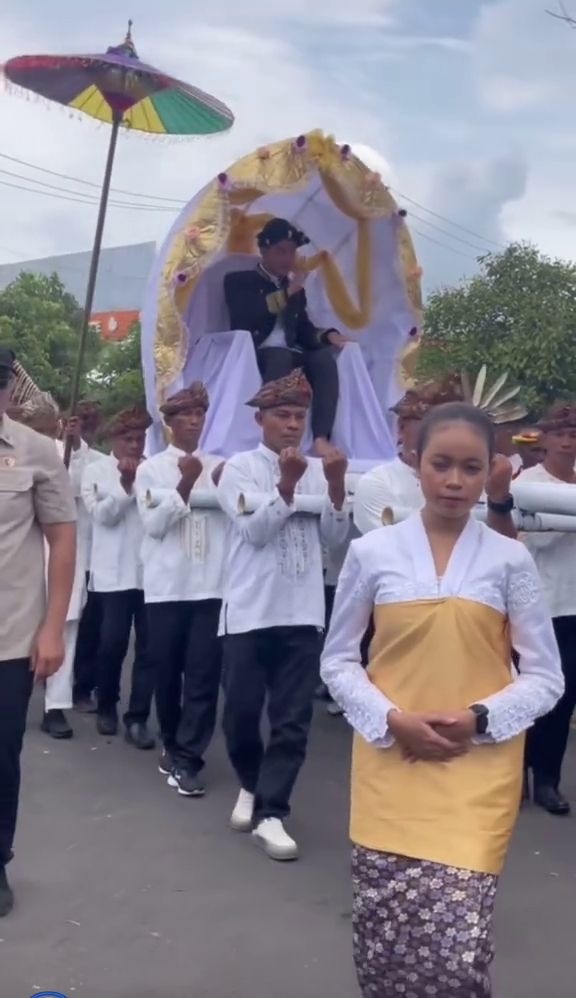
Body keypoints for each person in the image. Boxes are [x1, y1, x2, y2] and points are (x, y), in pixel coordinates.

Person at [321, 401, 564, 998]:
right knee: (386, 951)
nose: (455, 481)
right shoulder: (372, 553)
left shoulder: (511, 559)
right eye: (441, 464)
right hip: (389, 768)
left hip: (474, 774)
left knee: (456, 955)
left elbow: (546, 677)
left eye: (471, 468)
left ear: (490, 472)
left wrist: (479, 719)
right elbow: (338, 659)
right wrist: (391, 720)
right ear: (416, 464)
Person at [217, 368, 350, 861]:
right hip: (250, 610)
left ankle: (272, 812)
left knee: (293, 719)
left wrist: (334, 488)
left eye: (299, 416)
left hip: (302, 610)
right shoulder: (240, 468)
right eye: (282, 415)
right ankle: (251, 783)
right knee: (241, 714)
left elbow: (336, 540)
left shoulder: (320, 468)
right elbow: (253, 533)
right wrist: (287, 490)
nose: (292, 424)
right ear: (261, 419)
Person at [0, 346, 76, 916]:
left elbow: (62, 538)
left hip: (9, 636)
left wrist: (53, 628)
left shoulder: (35, 452)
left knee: (2, 755)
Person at [135, 384, 226, 796]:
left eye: (199, 414)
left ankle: (190, 758)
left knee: (204, 677)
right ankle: (172, 744)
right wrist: (185, 486)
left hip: (211, 588)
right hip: (167, 588)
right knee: (167, 674)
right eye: (185, 415)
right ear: (169, 424)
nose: (193, 421)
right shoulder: (150, 469)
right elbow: (154, 526)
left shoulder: (222, 466)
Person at [223, 216, 349, 457]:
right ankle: (275, 439)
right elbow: (247, 316)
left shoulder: (294, 290)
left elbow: (302, 329)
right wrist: (288, 292)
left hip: (290, 352)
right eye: (280, 251)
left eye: (291, 252)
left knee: (324, 360)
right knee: (280, 358)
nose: (287, 259)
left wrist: (329, 336)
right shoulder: (238, 281)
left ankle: (321, 438)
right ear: (263, 250)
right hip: (255, 352)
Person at [354, 374, 519, 540]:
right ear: (402, 426)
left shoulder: (486, 479)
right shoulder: (378, 483)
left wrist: (499, 501)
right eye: (432, 422)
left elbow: (507, 553)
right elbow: (392, 551)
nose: (454, 482)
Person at [81, 406, 156, 748]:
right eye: (128, 438)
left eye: (140, 438)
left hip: (150, 573)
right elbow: (103, 516)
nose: (135, 445)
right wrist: (126, 486)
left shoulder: (154, 470)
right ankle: (107, 705)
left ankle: (138, 717)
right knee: (111, 645)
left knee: (149, 649)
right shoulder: (95, 471)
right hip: (112, 575)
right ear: (113, 439)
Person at [518, 402, 576, 815]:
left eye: (574, 436)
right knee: (528, 693)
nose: (569, 443)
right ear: (546, 439)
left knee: (564, 696)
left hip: (574, 605)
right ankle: (514, 772)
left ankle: (548, 779)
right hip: (539, 604)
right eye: (562, 435)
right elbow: (524, 539)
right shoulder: (528, 483)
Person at [71, 401, 106, 713]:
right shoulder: (64, 456)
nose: (87, 422)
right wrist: (72, 445)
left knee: (91, 628)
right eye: (83, 418)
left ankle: (83, 687)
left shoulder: (104, 463)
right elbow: (70, 485)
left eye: (92, 419)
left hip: (97, 558)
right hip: (70, 552)